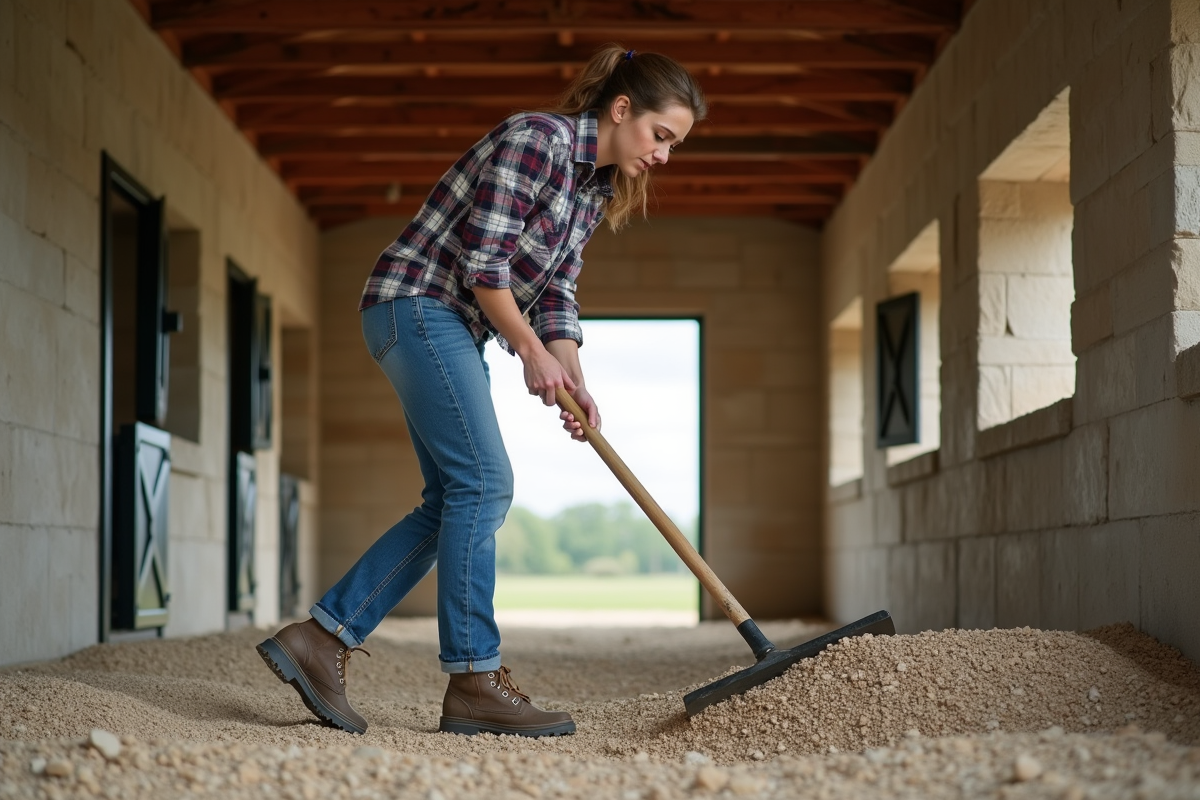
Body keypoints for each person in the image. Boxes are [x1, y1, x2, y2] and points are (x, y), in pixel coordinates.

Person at [256, 44, 706, 738]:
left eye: (675, 144)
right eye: (661, 136)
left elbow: (555, 290)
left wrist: (573, 379)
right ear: (622, 110)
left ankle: (322, 640)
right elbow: (484, 267)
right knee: (485, 483)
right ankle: (473, 677)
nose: (665, 156)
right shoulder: (539, 140)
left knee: (452, 499)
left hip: (450, 325)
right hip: (418, 305)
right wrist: (528, 352)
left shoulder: (593, 188)